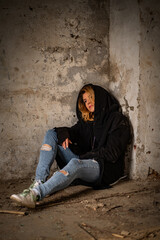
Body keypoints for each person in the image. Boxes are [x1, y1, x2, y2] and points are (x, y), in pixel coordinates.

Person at [10, 84, 131, 208]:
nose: (88, 102)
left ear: (100, 97)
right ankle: (38, 181)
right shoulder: (89, 121)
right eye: (85, 100)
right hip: (84, 161)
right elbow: (69, 131)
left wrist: (84, 157)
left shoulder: (118, 120)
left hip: (105, 169)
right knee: (52, 134)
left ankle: (35, 194)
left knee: (75, 163)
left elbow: (112, 153)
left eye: (90, 97)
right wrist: (64, 135)